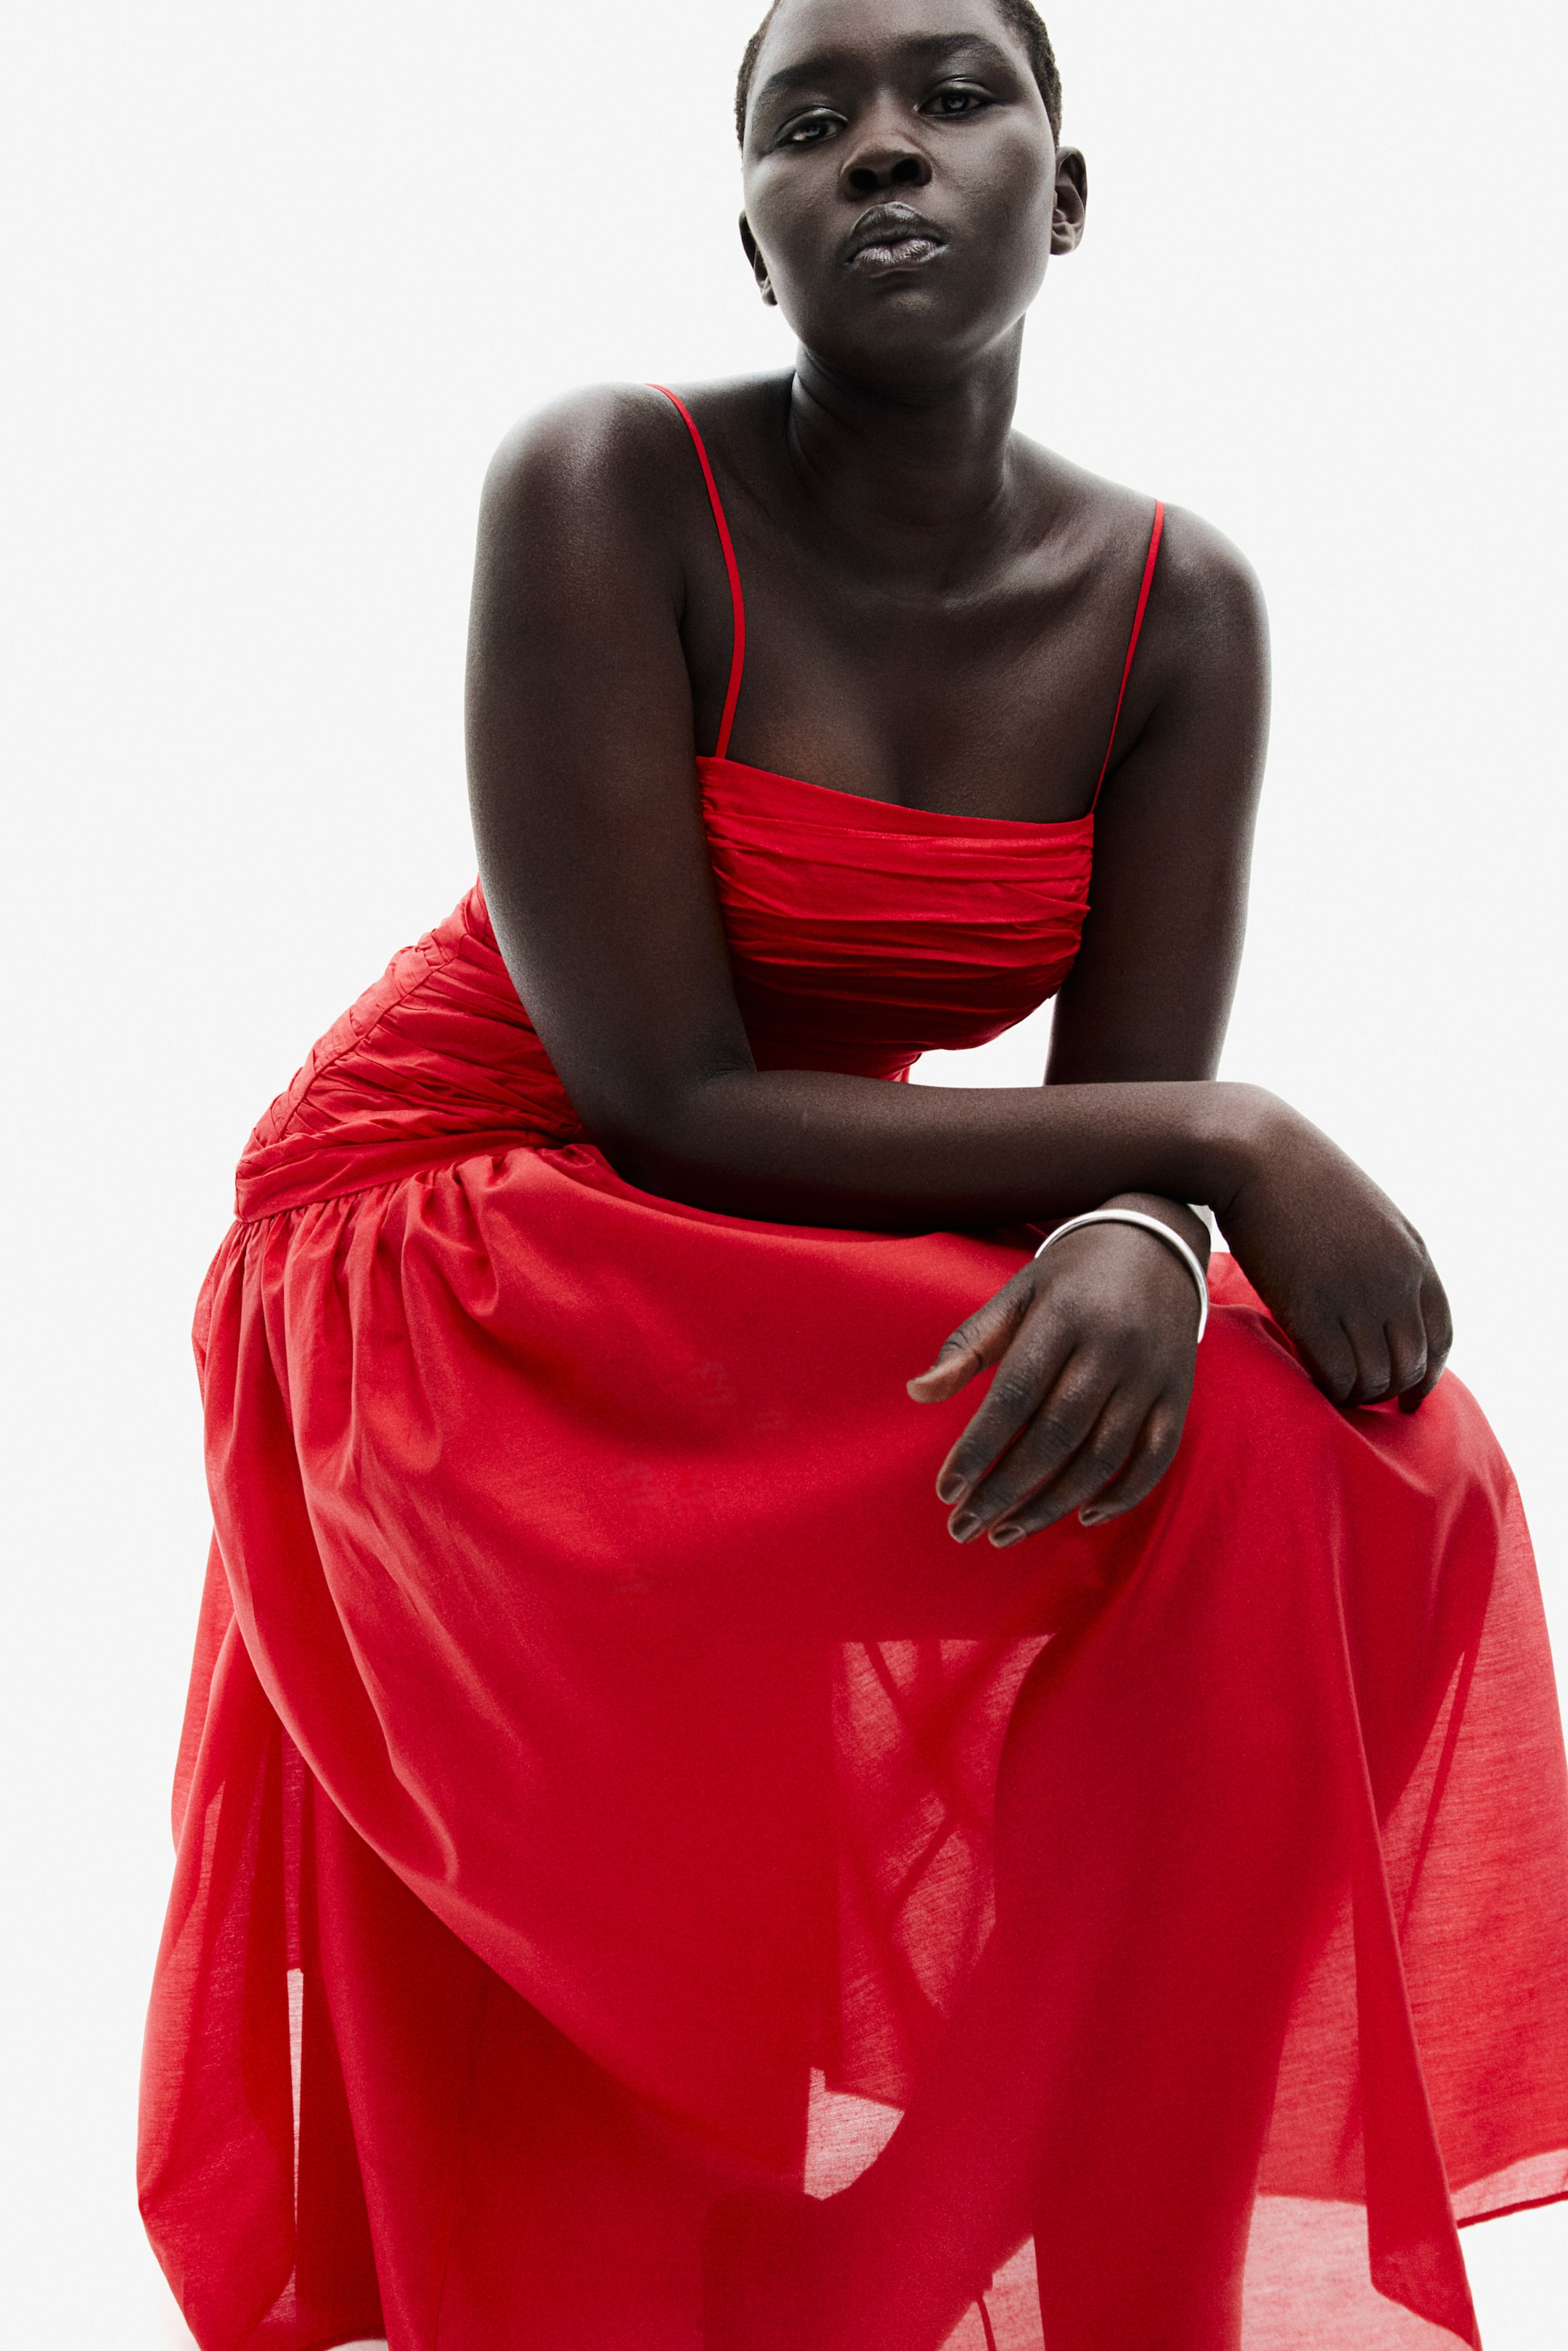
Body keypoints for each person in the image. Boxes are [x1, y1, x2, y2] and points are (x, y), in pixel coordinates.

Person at [138, 1, 1568, 2345]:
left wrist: (1142, 1226)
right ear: (756, 240)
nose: (882, 150)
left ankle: (1076, 2231)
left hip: (747, 1226)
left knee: (1368, 1468)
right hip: (455, 1227)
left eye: (952, 97)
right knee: (1229, 1472)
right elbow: (664, 1093)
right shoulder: (607, 483)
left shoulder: (1178, 609)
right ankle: (922, 2236)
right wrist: (1219, 1147)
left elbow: (1116, 1093)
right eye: (810, 126)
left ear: (1066, 198)